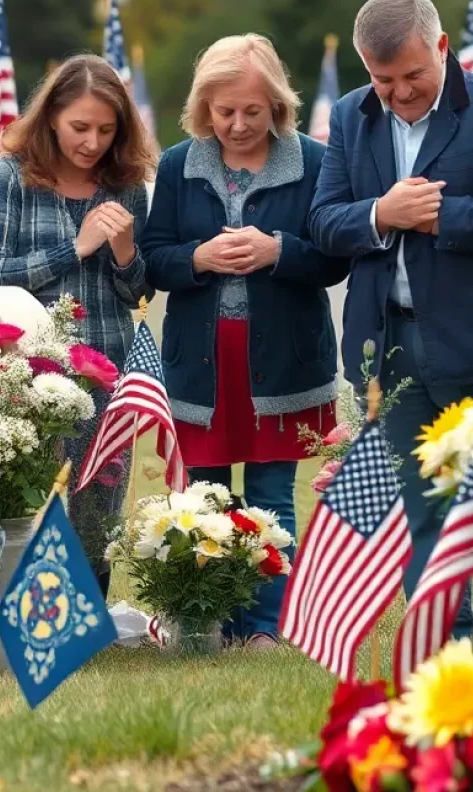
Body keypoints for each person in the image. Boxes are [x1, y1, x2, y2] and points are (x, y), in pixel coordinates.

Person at [308, 0, 473, 652]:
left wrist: (440, 214)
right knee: (423, 508)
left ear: (442, 48)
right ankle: (445, 646)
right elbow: (324, 222)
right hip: (394, 343)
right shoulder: (354, 117)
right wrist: (380, 214)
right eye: (382, 79)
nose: (399, 92)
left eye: (412, 75)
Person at [141, 34, 349, 648]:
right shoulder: (180, 165)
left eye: (252, 112)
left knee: (269, 497)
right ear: (203, 108)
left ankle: (264, 626)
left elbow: (334, 258)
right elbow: (154, 261)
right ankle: (208, 621)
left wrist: (278, 250)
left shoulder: (313, 162)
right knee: (200, 497)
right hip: (201, 362)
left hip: (280, 360)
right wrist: (198, 257)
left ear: (278, 107)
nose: (236, 124)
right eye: (224, 112)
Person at [0, 53, 155, 595]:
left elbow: (138, 292)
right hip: (30, 364)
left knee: (98, 493)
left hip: (107, 363)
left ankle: (85, 608)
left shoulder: (126, 185)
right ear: (51, 115)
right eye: (80, 126)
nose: (92, 141)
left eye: (106, 129)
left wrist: (124, 251)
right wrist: (75, 248)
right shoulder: (14, 175)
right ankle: (3, 600)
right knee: (25, 487)